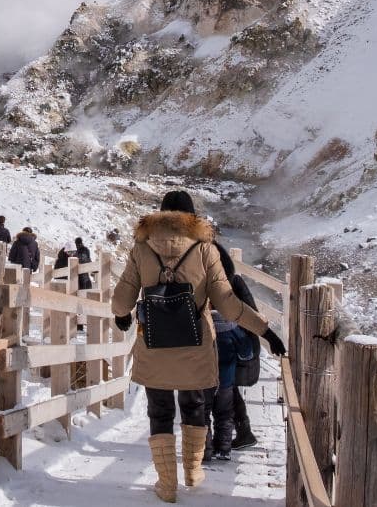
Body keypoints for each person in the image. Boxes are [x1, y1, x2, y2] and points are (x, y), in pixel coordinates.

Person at [111, 190, 285, 503]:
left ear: (161, 214)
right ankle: (192, 471)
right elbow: (229, 305)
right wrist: (266, 332)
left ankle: (166, 485)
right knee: (194, 404)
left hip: (154, 344)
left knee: (159, 411)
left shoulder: (141, 247)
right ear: (192, 217)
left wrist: (121, 316)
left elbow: (123, 296)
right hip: (196, 345)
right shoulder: (206, 249)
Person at [207, 244, 262, 456]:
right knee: (227, 390)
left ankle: (213, 444)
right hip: (236, 342)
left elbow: (250, 310)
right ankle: (235, 436)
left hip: (225, 341)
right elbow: (251, 309)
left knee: (217, 392)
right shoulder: (232, 280)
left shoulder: (216, 282)